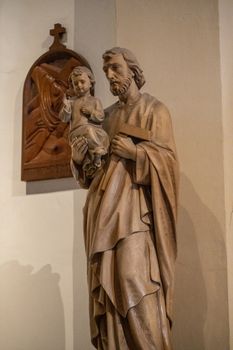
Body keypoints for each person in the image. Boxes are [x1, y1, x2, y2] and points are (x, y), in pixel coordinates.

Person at [71, 48, 179, 349]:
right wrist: (80, 160)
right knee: (110, 286)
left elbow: (169, 164)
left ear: (132, 70)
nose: (110, 76)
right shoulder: (104, 117)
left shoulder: (155, 111)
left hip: (136, 213)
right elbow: (92, 172)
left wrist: (136, 154)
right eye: (106, 72)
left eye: (116, 69)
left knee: (133, 277)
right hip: (102, 213)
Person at [59, 66, 109, 178]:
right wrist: (66, 108)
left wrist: (91, 112)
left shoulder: (95, 101)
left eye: (82, 82)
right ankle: (98, 150)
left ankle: (96, 160)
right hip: (76, 133)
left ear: (91, 83)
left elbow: (100, 117)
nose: (79, 86)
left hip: (92, 132)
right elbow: (64, 118)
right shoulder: (72, 102)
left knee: (103, 136)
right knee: (88, 130)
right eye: (75, 84)